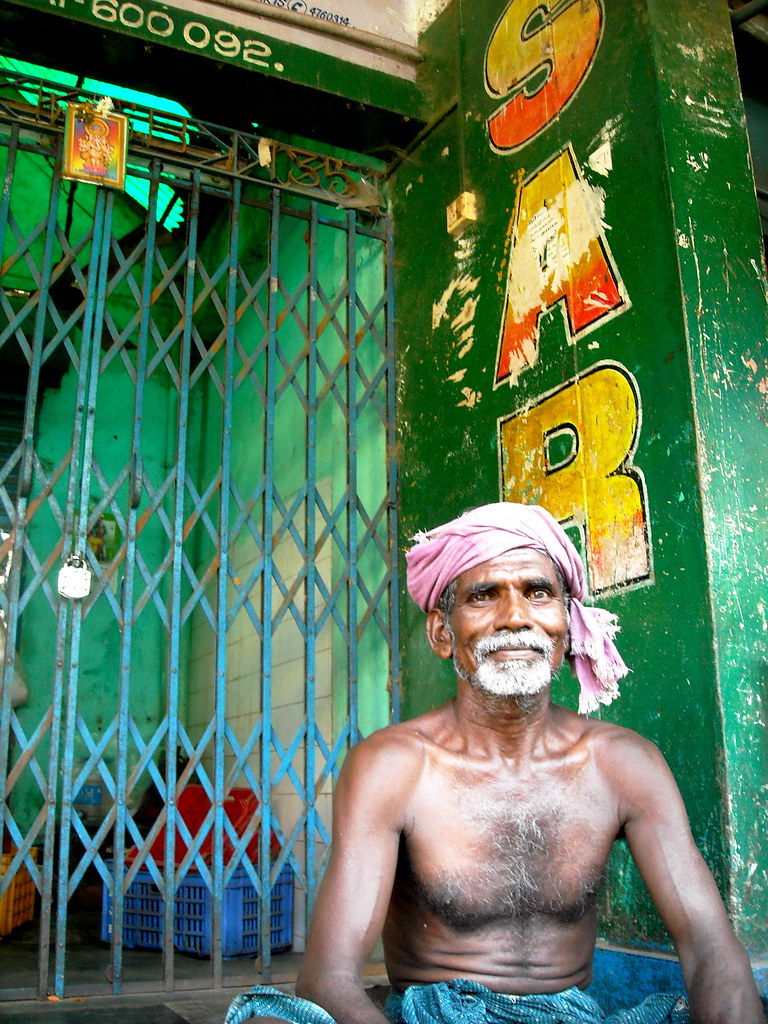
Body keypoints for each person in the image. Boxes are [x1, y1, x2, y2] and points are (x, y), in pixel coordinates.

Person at [226, 503, 765, 1024]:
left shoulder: (624, 763)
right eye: (484, 596)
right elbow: (327, 978)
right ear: (443, 633)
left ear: (567, 624)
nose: (516, 617)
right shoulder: (392, 767)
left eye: (538, 593)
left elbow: (710, 945)